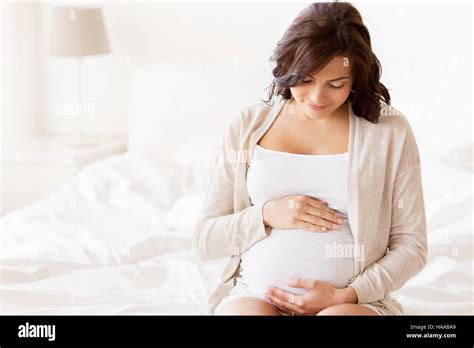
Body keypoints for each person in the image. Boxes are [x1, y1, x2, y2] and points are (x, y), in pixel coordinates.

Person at [193, 2, 427, 316]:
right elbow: (205, 239)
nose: (317, 98)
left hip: (353, 304)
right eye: (305, 80)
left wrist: (347, 295)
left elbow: (412, 246)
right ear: (288, 68)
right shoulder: (249, 125)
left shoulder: (388, 131)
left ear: (356, 77)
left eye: (336, 84)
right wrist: (267, 213)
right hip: (254, 296)